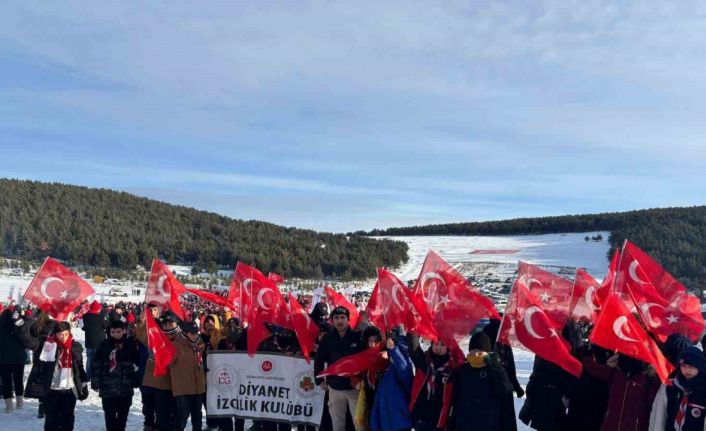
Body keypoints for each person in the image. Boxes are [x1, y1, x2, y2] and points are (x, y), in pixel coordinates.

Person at [25, 320, 89, 431]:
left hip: (69, 390)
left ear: (69, 333)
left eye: (65, 334)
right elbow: (29, 342)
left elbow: (79, 367)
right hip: (51, 390)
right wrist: (21, 325)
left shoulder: (75, 347)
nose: (63, 337)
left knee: (67, 419)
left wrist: (83, 384)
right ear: (55, 334)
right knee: (51, 420)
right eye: (60, 334)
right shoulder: (47, 346)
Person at [450, 332, 514, 431]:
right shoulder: (463, 370)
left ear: (487, 353)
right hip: (464, 423)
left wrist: (498, 369)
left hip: (488, 424)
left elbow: (505, 391)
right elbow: (456, 398)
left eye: (480, 352)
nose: (476, 354)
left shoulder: (494, 369)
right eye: (473, 351)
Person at [582, 351, 660, 431]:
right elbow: (593, 368)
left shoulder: (648, 380)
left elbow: (654, 407)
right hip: (610, 425)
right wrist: (588, 352)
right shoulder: (615, 373)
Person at [315, 306, 364, 431]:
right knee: (337, 425)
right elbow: (319, 359)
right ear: (332, 320)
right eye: (336, 318)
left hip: (354, 389)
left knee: (360, 425)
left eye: (342, 317)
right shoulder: (328, 339)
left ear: (348, 319)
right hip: (334, 388)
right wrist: (319, 380)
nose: (339, 321)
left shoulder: (358, 337)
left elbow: (366, 359)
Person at [91, 319, 140, 431]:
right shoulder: (104, 344)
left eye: (118, 331)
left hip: (126, 388)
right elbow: (96, 364)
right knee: (110, 419)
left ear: (123, 331)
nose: (115, 334)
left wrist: (136, 379)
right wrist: (96, 381)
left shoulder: (130, 344)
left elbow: (137, 363)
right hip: (108, 388)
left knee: (122, 419)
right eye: (113, 332)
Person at [137, 310, 180, 431]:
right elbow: (142, 336)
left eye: (170, 324)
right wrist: (141, 322)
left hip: (177, 383)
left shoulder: (182, 338)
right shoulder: (156, 337)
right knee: (162, 415)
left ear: (176, 324)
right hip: (160, 383)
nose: (167, 327)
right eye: (165, 324)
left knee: (176, 415)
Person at [649, 345, 706, 431]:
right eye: (684, 366)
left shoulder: (703, 390)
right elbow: (659, 417)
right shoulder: (669, 386)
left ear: (700, 367)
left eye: (691, 366)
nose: (687, 370)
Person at [369, 331, 414, 431]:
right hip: (385, 426)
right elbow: (377, 403)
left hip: (402, 425)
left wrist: (394, 350)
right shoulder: (386, 374)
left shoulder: (406, 371)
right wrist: (374, 424)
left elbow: (404, 370)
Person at [408, 336, 453, 431]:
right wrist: (413, 329)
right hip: (420, 417)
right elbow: (413, 348)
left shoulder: (452, 368)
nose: (438, 347)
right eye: (436, 343)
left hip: (438, 421)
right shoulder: (424, 361)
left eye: (443, 345)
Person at [170, 320, 206, 431]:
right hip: (182, 388)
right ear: (185, 333)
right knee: (183, 416)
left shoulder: (199, 345)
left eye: (196, 332)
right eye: (192, 333)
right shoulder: (175, 345)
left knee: (197, 416)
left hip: (197, 387)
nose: (195, 335)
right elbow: (167, 362)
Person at [0, 309, 28, 412]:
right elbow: (25, 340)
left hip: (3, 359)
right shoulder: (17, 327)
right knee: (18, 380)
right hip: (18, 358)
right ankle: (19, 402)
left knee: (6, 382)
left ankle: (9, 406)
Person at [81, 300, 107, 380]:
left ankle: (88, 375)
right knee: (98, 360)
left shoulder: (85, 316)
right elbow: (105, 326)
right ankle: (97, 375)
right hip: (99, 341)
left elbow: (85, 327)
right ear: (98, 309)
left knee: (89, 359)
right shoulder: (100, 317)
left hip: (89, 341)